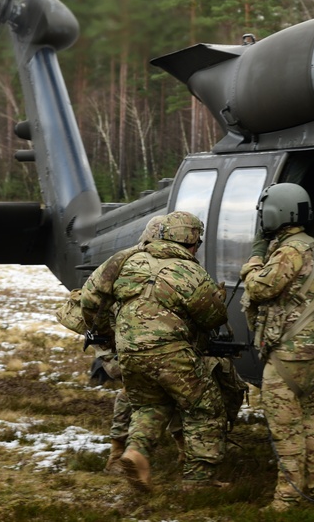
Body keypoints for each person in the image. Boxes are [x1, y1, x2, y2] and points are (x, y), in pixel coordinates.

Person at [112, 210, 228, 491]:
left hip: (129, 352)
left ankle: (136, 452)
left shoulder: (132, 263)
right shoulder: (190, 271)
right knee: (204, 407)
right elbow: (213, 318)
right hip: (170, 353)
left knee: (150, 406)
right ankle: (199, 481)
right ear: (192, 243)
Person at [239, 183, 314, 512]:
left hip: (287, 352)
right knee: (309, 419)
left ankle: (288, 496)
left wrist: (253, 260)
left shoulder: (289, 251)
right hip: (309, 350)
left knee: (285, 427)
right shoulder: (312, 245)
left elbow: (260, 288)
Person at [71, 215, 183, 474]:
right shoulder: (155, 266)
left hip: (121, 345)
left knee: (140, 390)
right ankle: (173, 450)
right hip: (126, 346)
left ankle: (119, 453)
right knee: (157, 391)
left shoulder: (124, 262)